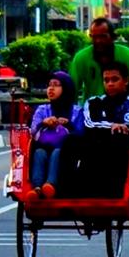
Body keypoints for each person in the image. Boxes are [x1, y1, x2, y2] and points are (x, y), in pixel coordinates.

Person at [75, 61, 129, 198]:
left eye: (115, 79)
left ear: (126, 81)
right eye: (106, 80)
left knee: (120, 139)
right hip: (97, 150)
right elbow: (89, 124)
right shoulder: (94, 103)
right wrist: (112, 126)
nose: (110, 84)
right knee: (73, 141)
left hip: (125, 154)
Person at [24, 71, 83, 201]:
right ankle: (37, 188)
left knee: (57, 152)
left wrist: (68, 124)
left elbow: (81, 133)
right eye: (49, 85)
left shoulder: (77, 111)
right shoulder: (42, 110)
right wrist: (43, 123)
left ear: (66, 89)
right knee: (39, 153)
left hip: (68, 154)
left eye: (56, 85)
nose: (51, 88)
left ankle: (50, 184)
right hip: (44, 147)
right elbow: (33, 131)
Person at [70, 18, 129, 101]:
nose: (98, 41)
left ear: (113, 37)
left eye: (103, 36)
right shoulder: (81, 57)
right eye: (94, 37)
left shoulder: (126, 54)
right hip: (92, 110)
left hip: (122, 109)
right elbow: (71, 89)